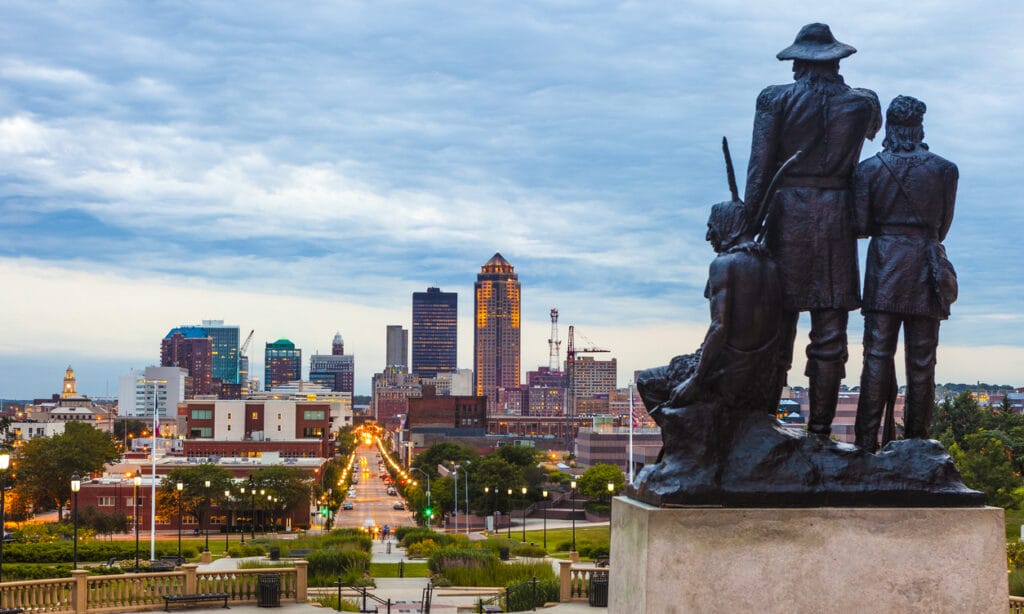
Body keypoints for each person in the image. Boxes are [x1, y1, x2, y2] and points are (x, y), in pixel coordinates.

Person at [744, 23, 881, 436]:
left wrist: (747, 226)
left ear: (799, 63)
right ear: (836, 62)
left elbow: (759, 166)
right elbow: (874, 134)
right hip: (837, 215)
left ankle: (764, 421)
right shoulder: (863, 103)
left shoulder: (775, 99)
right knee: (830, 326)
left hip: (787, 214)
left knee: (777, 321)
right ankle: (820, 428)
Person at [852, 95, 958, 451]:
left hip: (884, 266)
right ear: (919, 126)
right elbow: (942, 228)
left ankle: (865, 441)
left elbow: (862, 225)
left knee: (876, 355)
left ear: (892, 128)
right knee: (923, 359)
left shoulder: (868, 170)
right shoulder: (945, 170)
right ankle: (916, 439)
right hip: (925, 267)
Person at [637, 198, 782, 418]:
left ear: (726, 225)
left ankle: (687, 438)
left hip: (727, 370)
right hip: (759, 371)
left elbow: (719, 328)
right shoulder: (770, 266)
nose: (708, 236)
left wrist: (695, 380)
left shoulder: (724, 264)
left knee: (646, 380)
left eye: (711, 228)